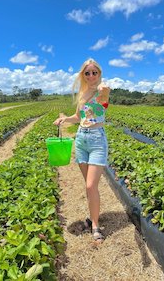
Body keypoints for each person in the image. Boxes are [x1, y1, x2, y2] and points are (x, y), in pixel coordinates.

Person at [53, 58, 110, 243]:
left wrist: (104, 89)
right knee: (89, 186)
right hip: (81, 140)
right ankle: (92, 218)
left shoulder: (102, 91)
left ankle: (95, 226)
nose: (91, 76)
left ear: (99, 74)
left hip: (97, 140)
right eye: (88, 73)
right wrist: (64, 120)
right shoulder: (82, 93)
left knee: (90, 185)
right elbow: (78, 117)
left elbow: (104, 98)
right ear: (83, 75)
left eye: (95, 72)